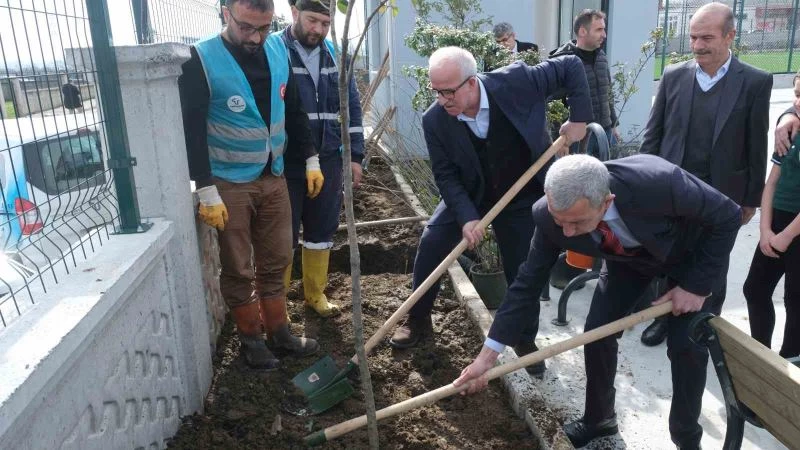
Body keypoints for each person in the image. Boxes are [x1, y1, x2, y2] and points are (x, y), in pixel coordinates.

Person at [455, 154, 742, 449]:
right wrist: (486, 359)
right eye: (559, 221)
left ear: (606, 202)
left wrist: (695, 286)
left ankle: (686, 439)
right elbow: (525, 285)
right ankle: (599, 418)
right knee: (597, 332)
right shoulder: (548, 216)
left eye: (577, 222)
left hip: (692, 259)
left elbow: (728, 215)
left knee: (685, 348)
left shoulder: (659, 182)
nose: (565, 233)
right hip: (628, 261)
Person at [388, 46, 592, 378]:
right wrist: (467, 216)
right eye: (435, 91)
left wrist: (579, 118)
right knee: (433, 242)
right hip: (472, 195)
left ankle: (524, 340)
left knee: (523, 267)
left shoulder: (517, 82)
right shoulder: (435, 120)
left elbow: (571, 65)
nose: (442, 99)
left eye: (448, 91)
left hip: (523, 194)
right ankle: (418, 318)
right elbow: (446, 175)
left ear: (472, 82)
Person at [178, 0, 320, 371]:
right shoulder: (201, 59)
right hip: (228, 183)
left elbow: (294, 110)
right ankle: (251, 339)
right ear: (226, 14)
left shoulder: (276, 49)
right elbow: (192, 129)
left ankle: (280, 332)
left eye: (264, 27)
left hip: (272, 176)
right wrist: (205, 188)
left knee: (277, 259)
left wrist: (310, 158)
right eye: (246, 28)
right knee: (239, 267)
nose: (256, 37)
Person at [638, 2, 772, 347]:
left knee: (713, 262)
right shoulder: (673, 76)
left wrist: (750, 199)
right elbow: (653, 136)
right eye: (693, 37)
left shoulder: (755, 82)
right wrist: (645, 186)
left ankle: (704, 323)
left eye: (707, 37)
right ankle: (664, 320)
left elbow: (756, 144)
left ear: (730, 36)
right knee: (670, 257)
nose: (697, 45)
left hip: (724, 195)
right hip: (674, 191)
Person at [279, 0, 365, 318]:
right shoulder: (275, 50)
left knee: (322, 228)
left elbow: (351, 107)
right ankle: (278, 307)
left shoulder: (335, 56)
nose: (317, 29)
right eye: (312, 20)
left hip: (329, 157)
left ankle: (315, 294)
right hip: (286, 163)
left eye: (324, 24)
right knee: (281, 234)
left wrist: (355, 156)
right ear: (294, 13)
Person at [742, 70, 800, 360]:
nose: (799, 103)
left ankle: (790, 363)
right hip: (777, 221)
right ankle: (762, 355)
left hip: (795, 231)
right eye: (798, 94)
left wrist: (786, 237)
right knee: (755, 288)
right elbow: (772, 181)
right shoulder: (791, 130)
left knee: (796, 300)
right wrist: (765, 230)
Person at [549, 9, 619, 148]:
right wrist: (560, 139)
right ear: (582, 31)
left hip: (604, 132)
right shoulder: (564, 62)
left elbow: (607, 94)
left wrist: (614, 125)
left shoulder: (602, 57)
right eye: (599, 30)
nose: (604, 35)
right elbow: (554, 105)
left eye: (604, 29)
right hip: (576, 138)